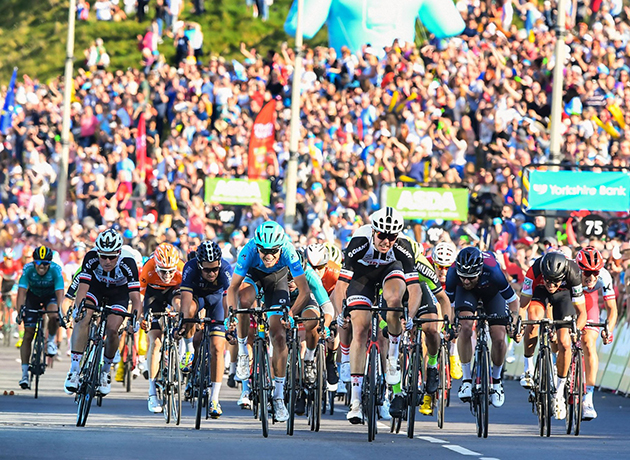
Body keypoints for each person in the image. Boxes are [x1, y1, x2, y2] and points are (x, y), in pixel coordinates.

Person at [333, 207, 422, 424]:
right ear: (374, 231)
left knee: (394, 303)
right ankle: (355, 401)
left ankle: (392, 358)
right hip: (362, 278)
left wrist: (408, 315)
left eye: (391, 236)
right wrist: (339, 312)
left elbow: (415, 289)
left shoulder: (403, 246)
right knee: (360, 329)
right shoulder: (359, 243)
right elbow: (341, 285)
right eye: (382, 235)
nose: (386, 241)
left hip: (390, 272)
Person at [226, 220, 312, 423]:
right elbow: (232, 288)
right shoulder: (248, 251)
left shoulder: (290, 251)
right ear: (257, 246)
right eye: (264, 250)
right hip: (253, 278)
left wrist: (290, 314)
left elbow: (305, 291)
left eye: (274, 250)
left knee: (279, 336)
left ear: (281, 247)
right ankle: (244, 354)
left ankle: (279, 397)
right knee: (244, 300)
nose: (269, 255)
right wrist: (231, 313)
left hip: (277, 280)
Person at [64, 229, 142, 397]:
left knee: (113, 330)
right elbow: (82, 290)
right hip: (96, 289)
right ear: (97, 252)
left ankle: (105, 372)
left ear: (119, 253)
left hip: (118, 294)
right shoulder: (91, 258)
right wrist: (78, 310)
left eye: (112, 257)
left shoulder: (128, 262)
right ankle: (74, 370)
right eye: (103, 256)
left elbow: (136, 298)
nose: (107, 261)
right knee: (84, 316)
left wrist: (135, 320)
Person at [446, 247, 519, 409]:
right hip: (466, 295)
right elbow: (448, 305)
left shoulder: (493, 271)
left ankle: (497, 381)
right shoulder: (453, 273)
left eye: (470, 277)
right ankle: (466, 380)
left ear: (479, 271)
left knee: (499, 337)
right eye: (463, 277)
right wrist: (450, 325)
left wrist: (513, 320)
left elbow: (513, 301)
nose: (466, 281)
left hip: (493, 293)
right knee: (465, 326)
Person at [390, 234, 452, 417]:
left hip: (421, 293)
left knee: (432, 329)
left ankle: (432, 366)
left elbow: (443, 298)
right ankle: (396, 392)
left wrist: (446, 325)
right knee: (388, 338)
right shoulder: (385, 264)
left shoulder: (422, 266)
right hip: (395, 296)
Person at [518, 251, 586, 420]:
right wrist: (519, 324)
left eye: (555, 281)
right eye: (548, 279)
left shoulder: (574, 272)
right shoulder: (534, 270)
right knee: (533, 321)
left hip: (563, 298)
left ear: (563, 276)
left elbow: (582, 312)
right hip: (538, 295)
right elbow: (523, 305)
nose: (551, 284)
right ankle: (528, 368)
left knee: (564, 343)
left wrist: (575, 330)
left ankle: (560, 393)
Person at [179, 240, 233, 418]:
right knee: (190, 311)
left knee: (217, 348)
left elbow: (228, 300)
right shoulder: (190, 267)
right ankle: (188, 351)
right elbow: (186, 299)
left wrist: (229, 322)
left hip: (217, 300)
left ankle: (215, 398)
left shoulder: (225, 269)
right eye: (207, 269)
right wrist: (186, 319)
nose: (212, 273)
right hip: (197, 297)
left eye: (214, 269)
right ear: (199, 264)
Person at [139, 243, 184, 413]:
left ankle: (180, 353)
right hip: (153, 296)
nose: (167, 275)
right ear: (156, 266)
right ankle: (152, 393)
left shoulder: (181, 267)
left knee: (180, 305)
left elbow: (189, 296)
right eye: (162, 271)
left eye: (170, 271)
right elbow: (139, 298)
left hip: (174, 292)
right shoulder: (148, 268)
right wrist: (142, 318)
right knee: (155, 341)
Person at [575, 247, 616, 420]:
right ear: (579, 269)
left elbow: (612, 309)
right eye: (586, 272)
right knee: (562, 338)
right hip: (570, 301)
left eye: (595, 272)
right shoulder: (571, 274)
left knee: (589, 345)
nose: (591, 277)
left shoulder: (605, 276)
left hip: (589, 303)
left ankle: (588, 399)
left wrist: (609, 329)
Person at [17, 246, 65, 389]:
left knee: (54, 315)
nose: (42, 266)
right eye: (38, 263)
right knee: (28, 333)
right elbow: (21, 292)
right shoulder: (28, 269)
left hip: (50, 296)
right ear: (34, 262)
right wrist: (20, 311)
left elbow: (60, 294)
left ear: (50, 264)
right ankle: (25, 374)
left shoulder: (56, 270)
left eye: (45, 263)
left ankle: (50, 340)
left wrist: (60, 312)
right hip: (33, 297)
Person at [428, 241, 462, 381]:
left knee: (456, 315)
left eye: (447, 268)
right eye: (440, 267)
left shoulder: (457, 269)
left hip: (450, 292)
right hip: (433, 291)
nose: (443, 271)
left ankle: (454, 352)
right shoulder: (427, 264)